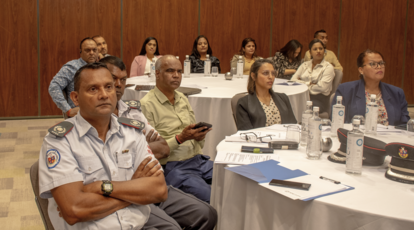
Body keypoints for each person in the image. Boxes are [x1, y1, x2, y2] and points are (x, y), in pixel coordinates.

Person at [39, 62, 218, 230]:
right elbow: (74, 210)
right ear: (75, 98)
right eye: (93, 89)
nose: (104, 94)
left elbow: (158, 190)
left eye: (108, 87)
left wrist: (103, 187)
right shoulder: (60, 141)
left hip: (136, 221)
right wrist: (133, 189)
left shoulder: (131, 132)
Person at [140, 55, 214, 203]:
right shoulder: (146, 105)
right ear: (157, 73)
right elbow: (148, 151)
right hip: (174, 167)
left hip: (198, 160)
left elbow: (196, 142)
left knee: (232, 180)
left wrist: (199, 137)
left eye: (179, 71)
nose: (176, 75)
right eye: (170, 71)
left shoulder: (182, 98)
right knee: (213, 197)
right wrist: (181, 138)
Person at [100, 56, 170, 160]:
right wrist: (141, 143)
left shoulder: (132, 110)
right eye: (113, 78)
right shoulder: (95, 114)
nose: (119, 84)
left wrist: (124, 150)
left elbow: (163, 149)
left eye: (123, 80)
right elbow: (101, 156)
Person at [332, 49, 410, 126]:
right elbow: (336, 122)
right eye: (373, 64)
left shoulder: (397, 93)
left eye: (381, 63)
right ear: (361, 70)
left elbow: (404, 125)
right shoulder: (345, 90)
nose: (379, 67)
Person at [236, 59, 297, 130]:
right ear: (253, 76)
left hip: (284, 140)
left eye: (273, 73)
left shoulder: (283, 98)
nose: (271, 77)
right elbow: (246, 134)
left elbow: (293, 127)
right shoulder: (244, 103)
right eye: (265, 73)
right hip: (258, 140)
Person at [48, 37, 98, 117]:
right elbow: (54, 87)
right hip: (79, 116)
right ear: (81, 52)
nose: (92, 53)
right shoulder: (71, 67)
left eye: (94, 50)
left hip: (98, 114)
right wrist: (68, 110)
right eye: (87, 50)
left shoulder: (101, 68)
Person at [291, 39, 335, 113]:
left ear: (324, 51)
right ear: (310, 52)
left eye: (321, 48)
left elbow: (322, 87)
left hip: (319, 99)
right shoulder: (305, 65)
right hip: (302, 96)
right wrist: (310, 83)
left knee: (301, 107)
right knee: (288, 104)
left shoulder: (328, 67)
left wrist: (301, 83)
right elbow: (293, 80)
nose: (318, 51)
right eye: (315, 49)